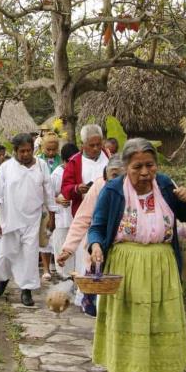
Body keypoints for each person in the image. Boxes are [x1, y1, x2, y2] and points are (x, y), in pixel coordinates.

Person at [88, 138, 186, 372]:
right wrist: (95, 246)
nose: (145, 172)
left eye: (150, 165)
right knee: (126, 326)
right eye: (138, 167)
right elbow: (97, 227)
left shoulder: (166, 185)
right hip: (125, 269)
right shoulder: (114, 190)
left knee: (156, 324)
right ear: (126, 167)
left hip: (162, 266)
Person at [0, 133, 53, 307]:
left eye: (29, 150)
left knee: (30, 256)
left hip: (32, 220)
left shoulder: (41, 166)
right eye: (22, 151)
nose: (26, 154)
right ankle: (3, 279)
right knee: (5, 254)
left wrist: (52, 216)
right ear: (15, 151)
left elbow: (49, 193)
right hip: (9, 219)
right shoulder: (6, 168)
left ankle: (27, 290)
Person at [58, 154, 124, 313]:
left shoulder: (134, 189)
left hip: (126, 254)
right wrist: (68, 249)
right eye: (113, 175)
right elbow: (83, 218)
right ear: (105, 173)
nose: (116, 180)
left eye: (121, 175)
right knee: (98, 304)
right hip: (99, 251)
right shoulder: (100, 186)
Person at [61, 124, 109, 216]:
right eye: (91, 145)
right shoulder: (74, 162)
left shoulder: (108, 156)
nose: (96, 148)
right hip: (84, 214)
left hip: (108, 210)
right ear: (82, 144)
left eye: (98, 144)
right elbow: (65, 188)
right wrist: (76, 189)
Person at [49, 143, 80, 279]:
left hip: (76, 217)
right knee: (62, 246)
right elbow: (48, 196)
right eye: (69, 162)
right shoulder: (57, 174)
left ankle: (76, 276)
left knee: (77, 250)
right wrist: (58, 200)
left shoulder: (79, 171)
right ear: (63, 160)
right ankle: (65, 277)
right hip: (62, 218)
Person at [38, 132, 62, 280]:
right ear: (42, 148)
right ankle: (46, 268)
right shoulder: (37, 162)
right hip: (43, 203)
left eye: (54, 150)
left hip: (60, 203)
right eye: (48, 150)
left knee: (58, 236)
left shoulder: (62, 161)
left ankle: (56, 264)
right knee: (44, 235)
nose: (51, 153)